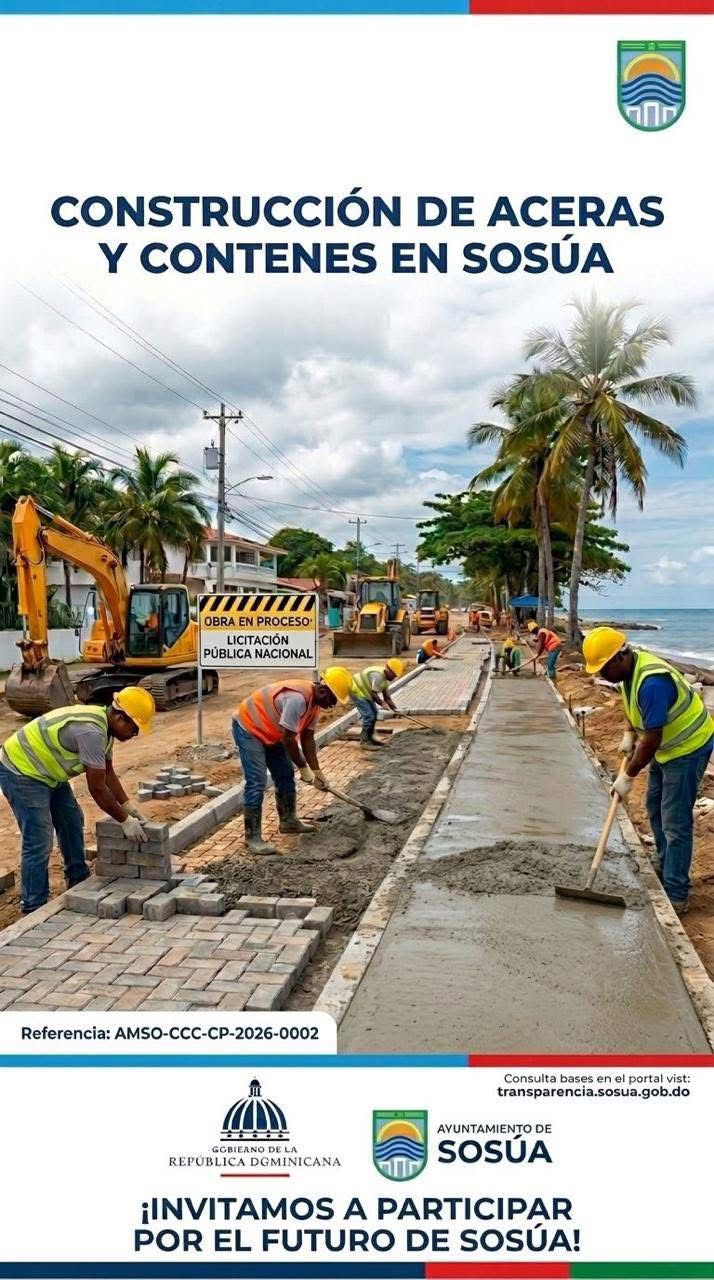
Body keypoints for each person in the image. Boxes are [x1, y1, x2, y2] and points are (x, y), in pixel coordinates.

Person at [583, 626, 714, 915]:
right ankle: (666, 861)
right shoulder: (629, 673)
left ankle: (676, 892)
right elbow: (635, 709)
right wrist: (630, 732)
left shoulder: (652, 682)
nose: (601, 676)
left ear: (620, 657)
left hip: (688, 747)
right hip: (667, 748)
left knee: (675, 821)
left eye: (603, 668)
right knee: (654, 806)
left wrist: (628, 776)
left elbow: (652, 739)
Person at [0, 687, 155, 914]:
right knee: (39, 838)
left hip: (49, 774)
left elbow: (108, 773)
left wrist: (127, 805)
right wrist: (124, 821)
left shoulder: (105, 728)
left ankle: (78, 880)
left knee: (72, 820)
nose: (135, 734)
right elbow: (97, 788)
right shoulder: (91, 731)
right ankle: (33, 905)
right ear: (121, 717)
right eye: (134, 727)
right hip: (22, 771)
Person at [233, 676, 338, 855]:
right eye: (332, 701)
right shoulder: (297, 699)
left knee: (285, 774)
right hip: (249, 728)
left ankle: (288, 822)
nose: (332, 706)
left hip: (272, 731)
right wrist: (303, 768)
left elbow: (307, 738)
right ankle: (253, 837)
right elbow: (288, 738)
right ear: (323, 690)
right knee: (256, 781)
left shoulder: (314, 704)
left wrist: (317, 772)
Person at [341, 658, 405, 749]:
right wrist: (382, 703)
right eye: (393, 675)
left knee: (375, 713)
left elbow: (387, 697)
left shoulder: (385, 680)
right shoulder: (378, 676)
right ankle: (364, 741)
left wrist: (396, 710)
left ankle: (370, 738)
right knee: (369, 715)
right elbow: (373, 694)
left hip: (365, 692)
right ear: (388, 669)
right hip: (357, 690)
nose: (394, 677)